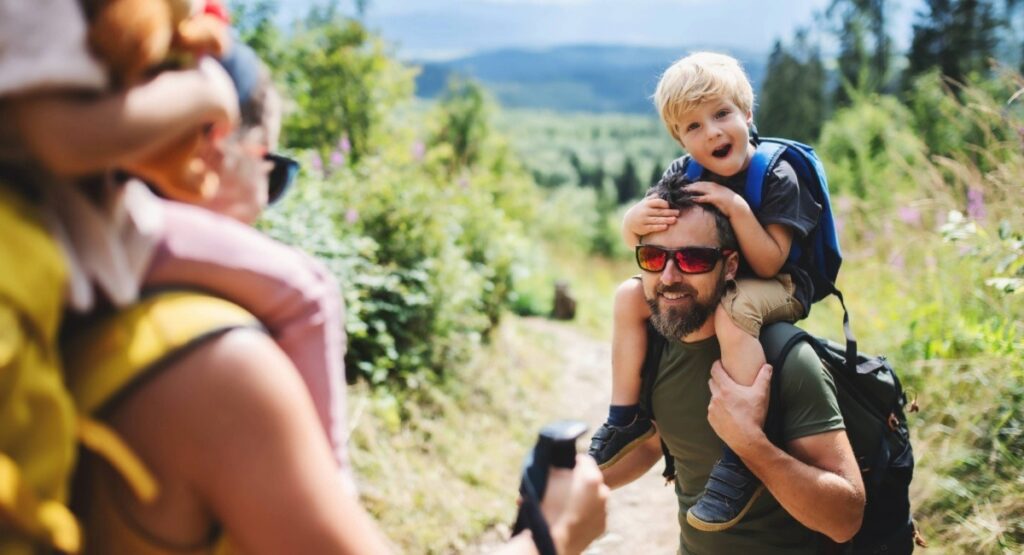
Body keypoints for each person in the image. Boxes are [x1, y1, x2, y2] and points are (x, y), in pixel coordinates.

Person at [589, 51, 824, 531]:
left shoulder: (777, 173)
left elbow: (769, 261)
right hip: (721, 274)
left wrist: (736, 208)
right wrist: (631, 223)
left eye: (721, 114)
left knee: (734, 310)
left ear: (747, 114)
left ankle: (743, 449)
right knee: (627, 296)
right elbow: (651, 238)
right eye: (693, 126)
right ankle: (624, 416)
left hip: (780, 284)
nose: (712, 132)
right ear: (679, 138)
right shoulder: (682, 173)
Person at [601, 178, 864, 553]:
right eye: (654, 258)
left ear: (730, 267)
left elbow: (846, 519)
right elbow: (653, 445)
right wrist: (569, 485)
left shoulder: (784, 358)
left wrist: (752, 447)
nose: (670, 276)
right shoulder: (657, 344)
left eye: (693, 259)